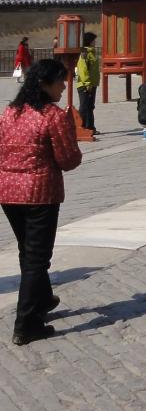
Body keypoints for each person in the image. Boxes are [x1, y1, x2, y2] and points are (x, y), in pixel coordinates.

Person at [0, 58, 82, 344]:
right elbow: (69, 159)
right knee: (37, 258)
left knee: (28, 251)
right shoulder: (53, 116)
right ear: (45, 84)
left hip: (8, 192)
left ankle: (43, 299)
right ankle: (26, 324)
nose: (64, 87)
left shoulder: (10, 112)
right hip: (39, 193)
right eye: (60, 81)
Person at [76, 31, 100, 135]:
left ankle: (90, 127)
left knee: (90, 106)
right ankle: (81, 127)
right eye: (94, 40)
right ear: (90, 41)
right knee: (84, 106)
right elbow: (83, 70)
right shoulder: (84, 53)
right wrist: (87, 83)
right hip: (85, 85)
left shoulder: (92, 52)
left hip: (92, 84)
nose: (95, 42)